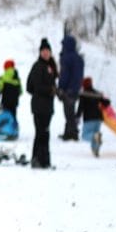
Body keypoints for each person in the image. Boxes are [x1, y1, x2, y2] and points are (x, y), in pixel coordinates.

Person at [26, 38, 58, 169]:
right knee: (41, 133)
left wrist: (56, 91)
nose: (45, 53)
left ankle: (41, 160)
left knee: (44, 133)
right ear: (40, 53)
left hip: (47, 106)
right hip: (39, 106)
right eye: (43, 51)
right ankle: (40, 160)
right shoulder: (38, 66)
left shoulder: (50, 67)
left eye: (47, 51)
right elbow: (34, 86)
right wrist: (50, 90)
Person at [58, 35, 84, 141]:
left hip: (68, 89)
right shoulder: (79, 58)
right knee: (71, 111)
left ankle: (72, 134)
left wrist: (61, 87)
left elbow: (64, 74)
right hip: (76, 89)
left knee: (68, 112)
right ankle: (69, 132)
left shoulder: (66, 58)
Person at [78, 77, 108, 157]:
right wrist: (104, 98)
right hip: (98, 118)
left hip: (89, 118)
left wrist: (77, 116)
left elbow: (81, 107)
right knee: (96, 136)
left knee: (85, 136)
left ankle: (96, 139)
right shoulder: (97, 94)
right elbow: (106, 103)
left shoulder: (84, 94)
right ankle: (96, 151)